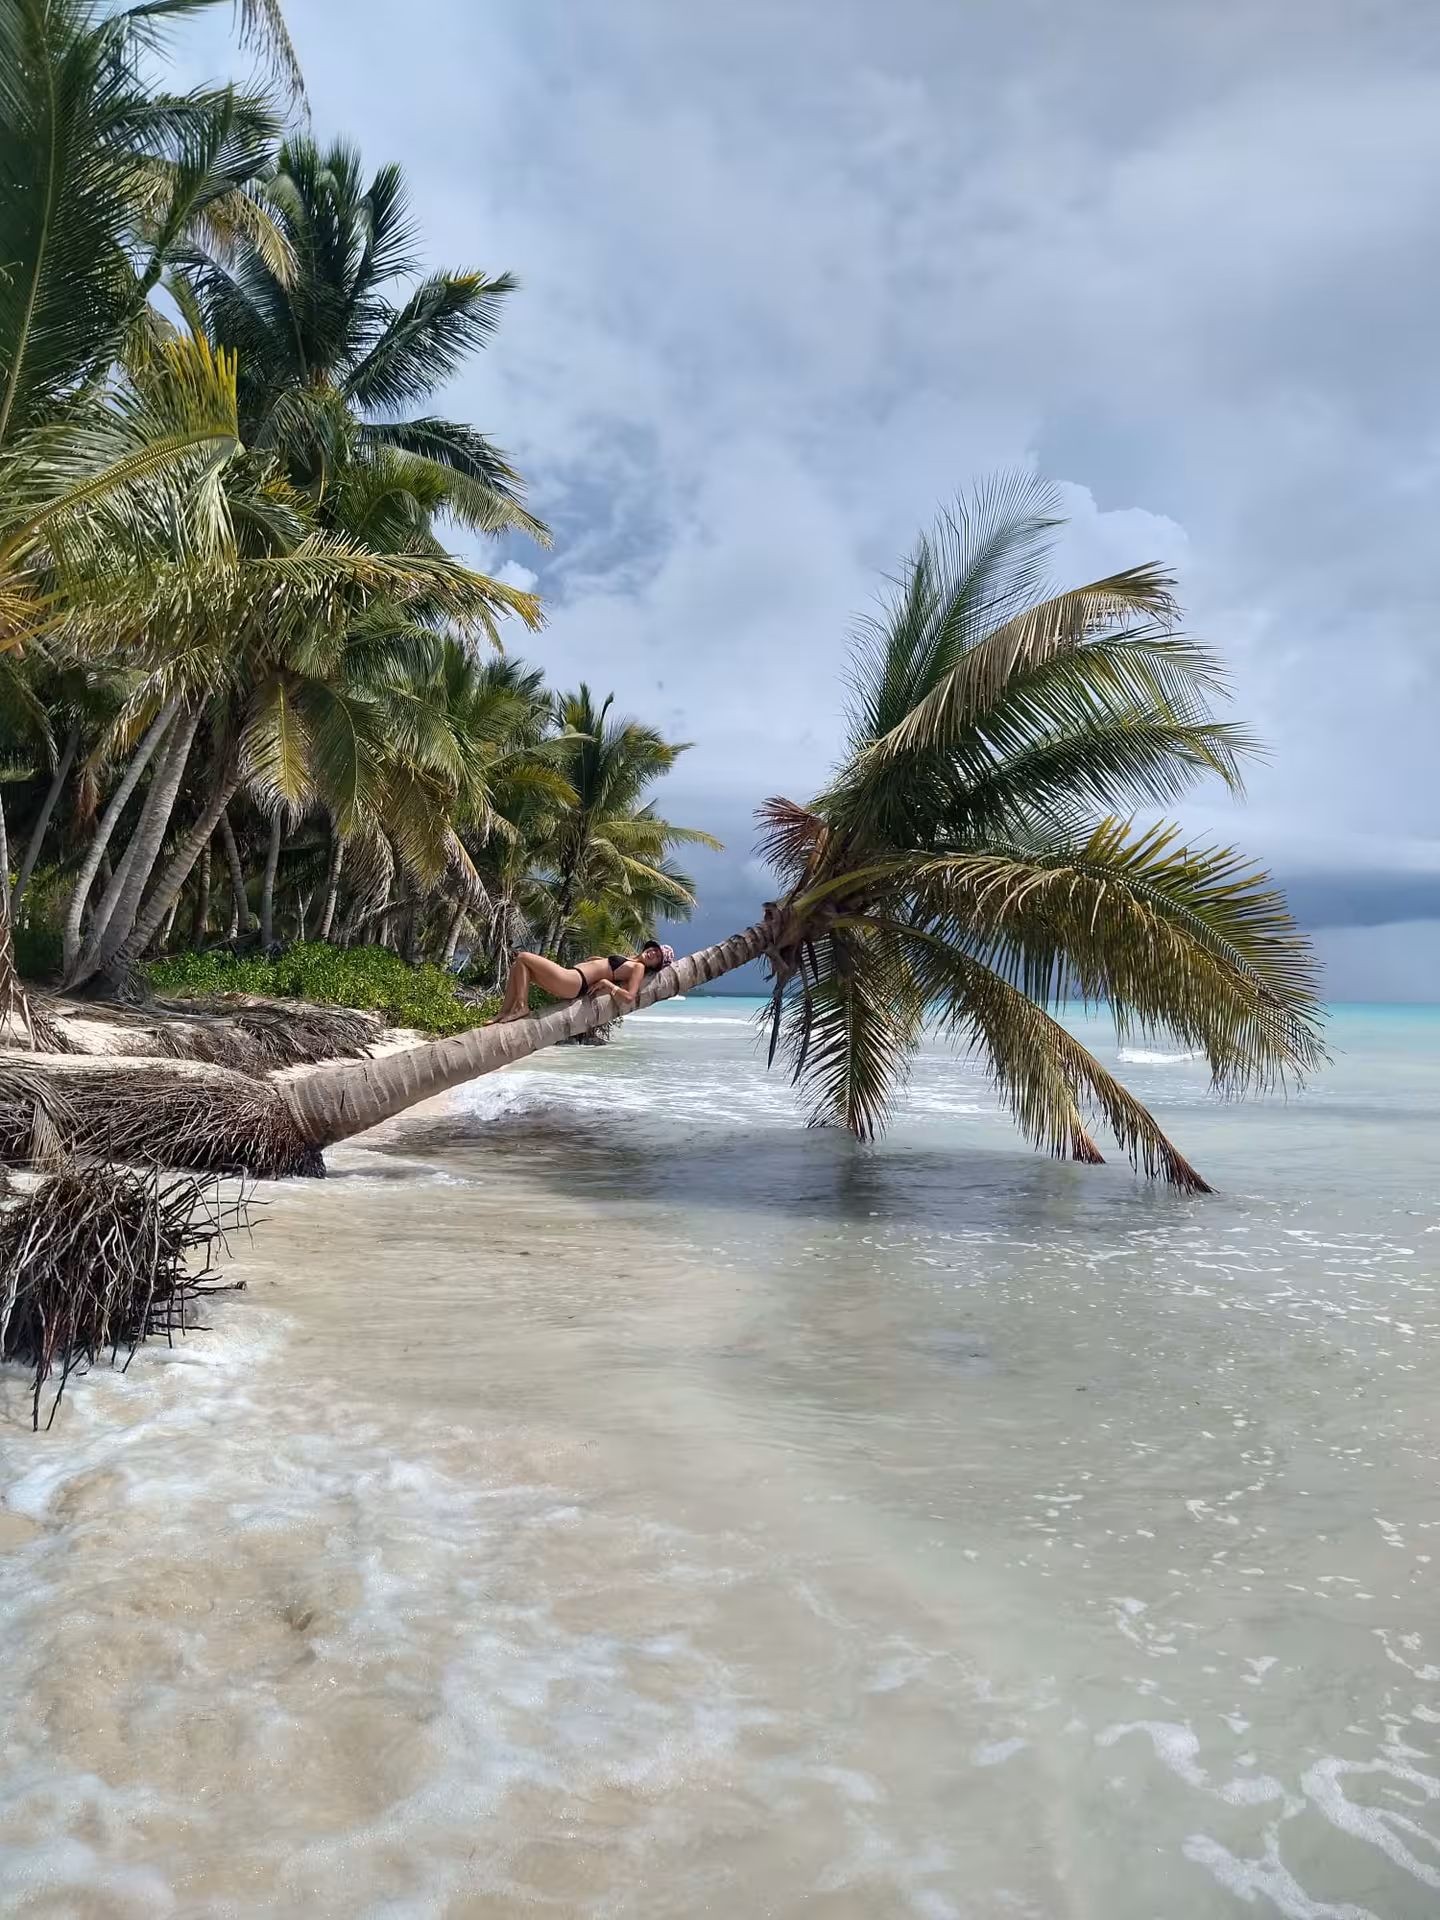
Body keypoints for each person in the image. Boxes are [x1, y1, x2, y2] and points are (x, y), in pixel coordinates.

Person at [487, 940, 676, 1024]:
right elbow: (611, 968)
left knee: (523, 957)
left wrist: (606, 983)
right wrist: (599, 961)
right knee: (520, 968)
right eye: (655, 950)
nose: (652, 953)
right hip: (573, 978)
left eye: (657, 957)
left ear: (655, 965)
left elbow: (629, 997)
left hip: (575, 981)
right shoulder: (632, 960)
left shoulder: (639, 968)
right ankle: (504, 1012)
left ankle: (521, 1006)